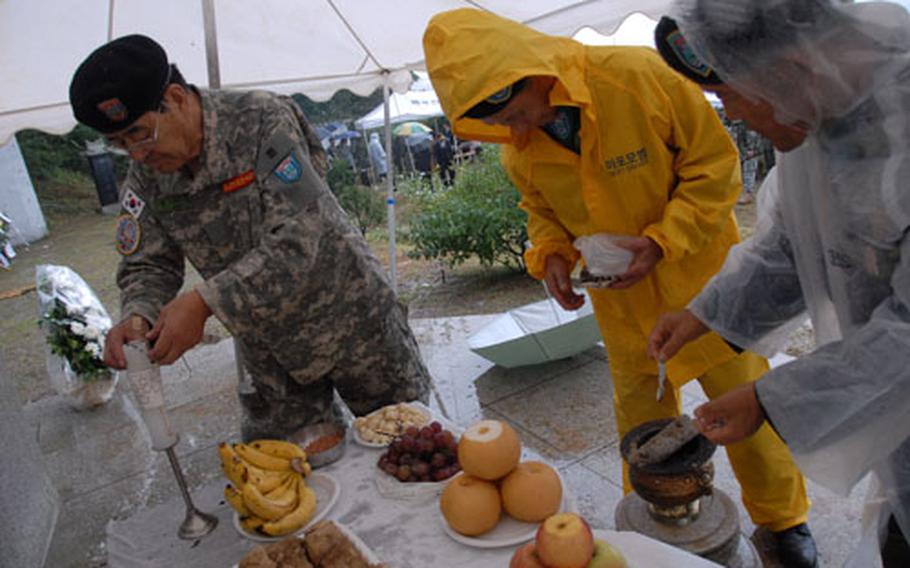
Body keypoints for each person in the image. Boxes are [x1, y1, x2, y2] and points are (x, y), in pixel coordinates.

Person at [423, 9, 816, 566]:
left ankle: (784, 523)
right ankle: (646, 521)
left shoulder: (636, 77)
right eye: (505, 124)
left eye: (516, 113)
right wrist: (552, 255)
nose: (515, 132)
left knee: (745, 411)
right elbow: (540, 211)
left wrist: (660, 241)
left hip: (706, 293)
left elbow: (715, 167)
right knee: (640, 422)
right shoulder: (524, 146)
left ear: (531, 73)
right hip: (623, 307)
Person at [649, 2, 910, 565]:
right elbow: (795, 240)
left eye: (733, 94)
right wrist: (704, 312)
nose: (734, 114)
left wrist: (772, 398)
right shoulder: (826, 120)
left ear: (793, 69)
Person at [69, 35, 431, 440]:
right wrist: (139, 314)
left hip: (351, 321)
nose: (136, 154)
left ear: (176, 97)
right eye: (119, 145)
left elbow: (301, 235)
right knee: (289, 470)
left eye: (140, 134)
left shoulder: (261, 119)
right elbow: (147, 262)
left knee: (411, 447)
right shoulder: (147, 173)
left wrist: (205, 301)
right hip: (269, 351)